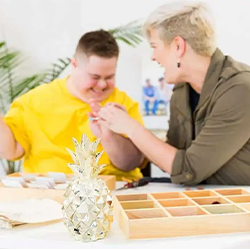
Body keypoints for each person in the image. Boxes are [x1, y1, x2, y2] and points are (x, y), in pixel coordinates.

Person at [96, 1, 250, 185]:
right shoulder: (181, 90)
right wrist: (120, 130)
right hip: (203, 197)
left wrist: (131, 127)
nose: (153, 57)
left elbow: (187, 170)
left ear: (178, 46)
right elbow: (171, 157)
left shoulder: (240, 89)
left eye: (154, 46)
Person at [1, 30, 146, 181]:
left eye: (109, 77)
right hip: (50, 195)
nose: (102, 84)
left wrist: (109, 136)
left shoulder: (123, 104)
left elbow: (131, 163)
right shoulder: (33, 101)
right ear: (74, 65)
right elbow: (11, 151)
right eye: (94, 77)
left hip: (115, 192)